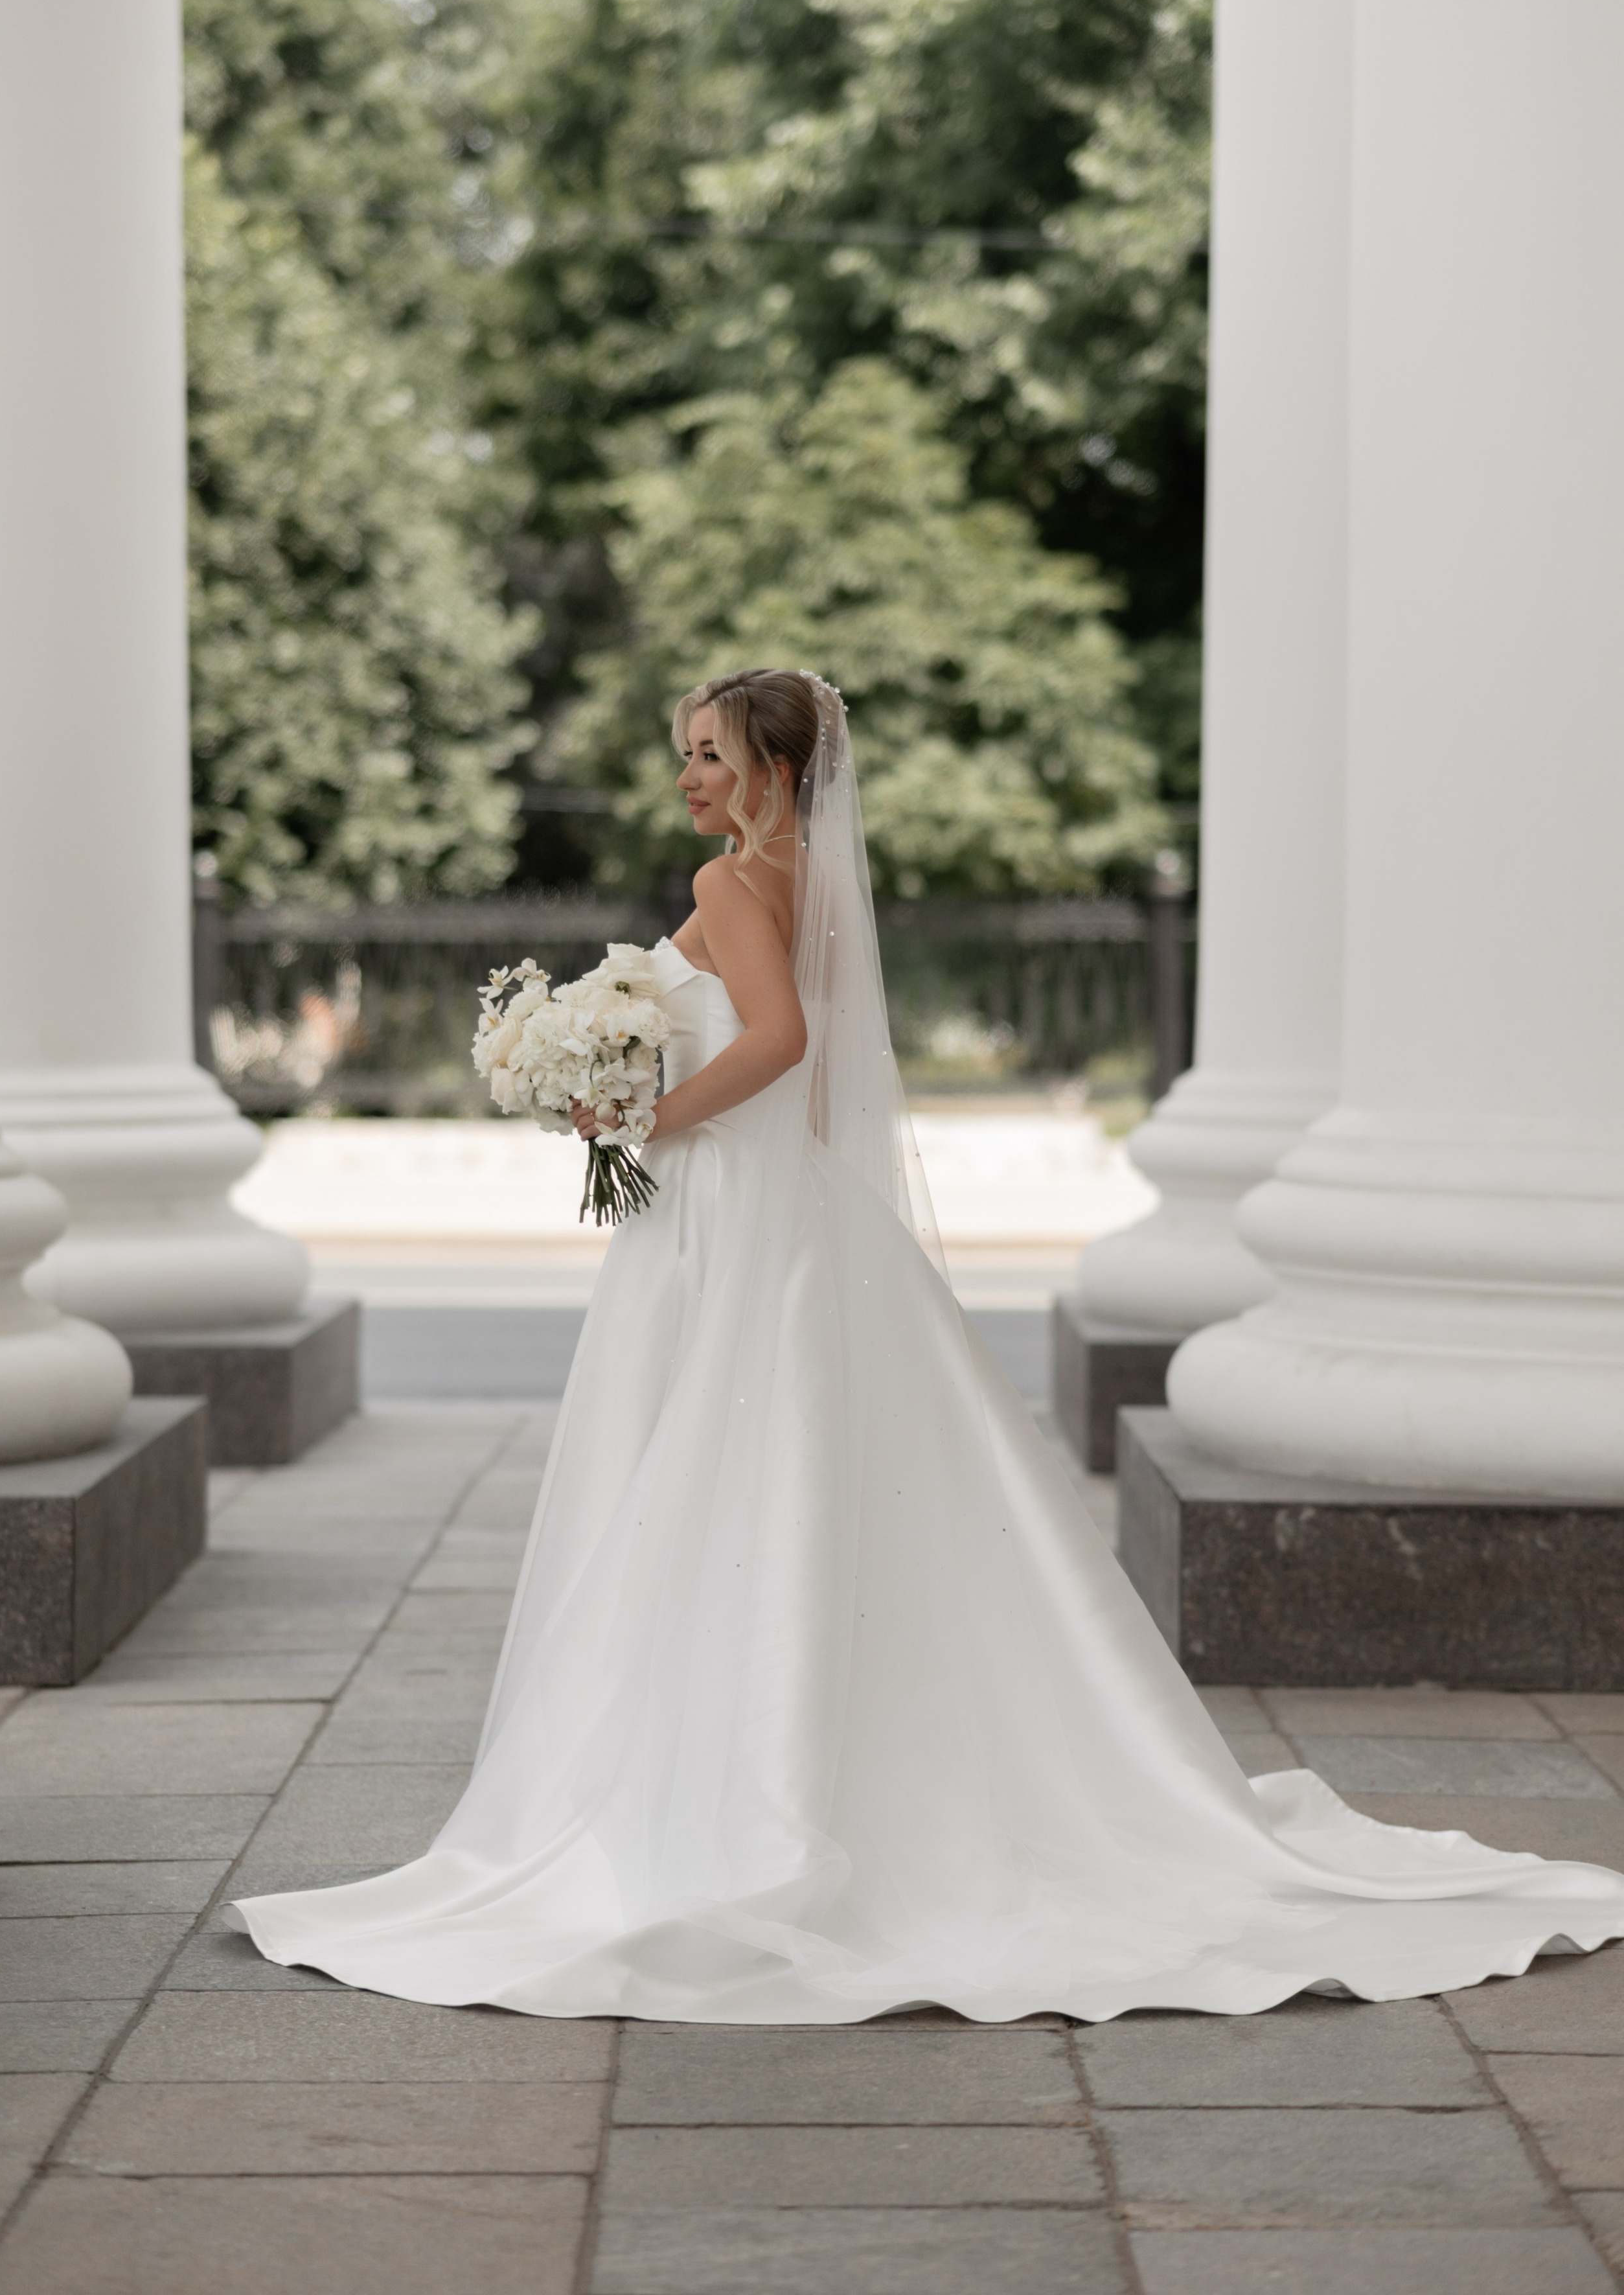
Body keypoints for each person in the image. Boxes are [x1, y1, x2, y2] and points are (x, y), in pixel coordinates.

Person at [227, 669, 1624, 2021]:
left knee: (706, 1478)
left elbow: (771, 1044)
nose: (686, 776)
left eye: (708, 754)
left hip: (731, 1214)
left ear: (772, 773)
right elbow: (824, 1073)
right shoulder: (809, 888)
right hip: (784, 1212)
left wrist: (645, 1118)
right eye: (685, 752)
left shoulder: (730, 884)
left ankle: (718, 1798)